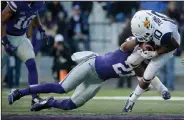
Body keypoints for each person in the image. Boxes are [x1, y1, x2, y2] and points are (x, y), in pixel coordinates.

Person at [8, 36, 170, 111]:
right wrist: (140, 40)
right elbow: (125, 45)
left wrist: (163, 90)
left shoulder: (142, 64)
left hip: (98, 81)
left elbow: (149, 78)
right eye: (146, 47)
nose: (146, 51)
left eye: (150, 50)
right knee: (61, 88)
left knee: (71, 105)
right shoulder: (133, 46)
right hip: (91, 65)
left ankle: (48, 103)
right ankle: (19, 92)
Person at [122, 10, 180, 112]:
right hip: (153, 36)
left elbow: (174, 45)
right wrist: (138, 40)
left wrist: (155, 53)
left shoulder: (164, 33)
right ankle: (162, 89)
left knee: (148, 75)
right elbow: (124, 47)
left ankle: (131, 100)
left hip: (168, 44)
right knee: (131, 61)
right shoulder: (142, 17)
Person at [2, 1, 49, 105]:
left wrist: (41, 29)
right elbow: (1, 20)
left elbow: (34, 13)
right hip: (6, 36)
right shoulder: (16, 3)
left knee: (32, 64)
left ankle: (35, 98)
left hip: (21, 37)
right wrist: (5, 42)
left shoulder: (38, 2)